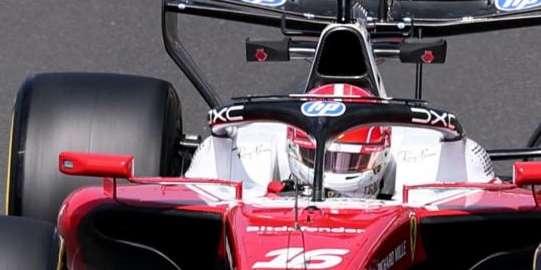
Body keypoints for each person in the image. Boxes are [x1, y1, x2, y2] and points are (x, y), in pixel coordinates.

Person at [184, 84, 496, 199]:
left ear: (382, 155)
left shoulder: (427, 155)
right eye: (321, 159)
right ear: (292, 150)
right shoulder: (251, 153)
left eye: (350, 161)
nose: (334, 175)